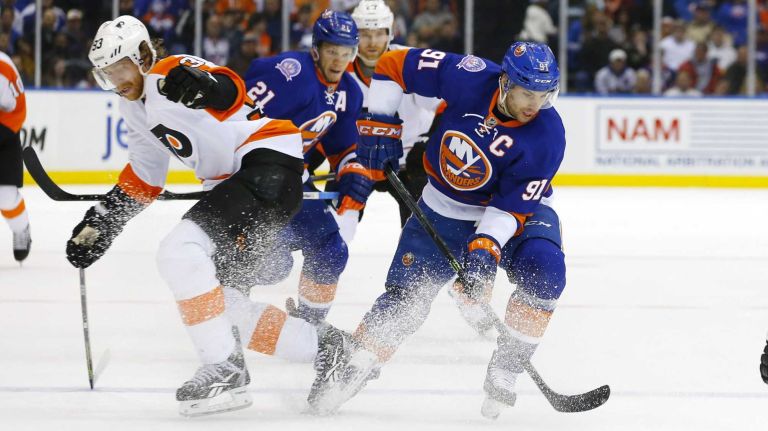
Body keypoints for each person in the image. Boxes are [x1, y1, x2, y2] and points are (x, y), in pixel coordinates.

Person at [68, 15, 350, 417]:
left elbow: (230, 90)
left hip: (266, 163)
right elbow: (146, 177)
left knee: (179, 251)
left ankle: (223, 366)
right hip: (245, 183)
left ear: (144, 55)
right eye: (107, 73)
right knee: (226, 305)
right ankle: (332, 351)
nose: (116, 80)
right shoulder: (133, 109)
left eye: (120, 68)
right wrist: (103, 222)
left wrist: (205, 88)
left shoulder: (169, 71)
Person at [307, 42, 567, 420]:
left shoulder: (548, 134)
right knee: (406, 299)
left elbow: (509, 208)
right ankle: (354, 364)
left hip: (513, 215)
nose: (535, 104)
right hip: (444, 207)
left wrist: (485, 246)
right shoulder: (470, 75)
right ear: (506, 82)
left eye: (544, 95)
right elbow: (394, 63)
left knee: (546, 271)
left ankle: (507, 368)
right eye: (528, 93)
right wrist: (378, 119)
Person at [241, 9, 371, 326]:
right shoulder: (290, 74)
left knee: (331, 249)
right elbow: (237, 120)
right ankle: (224, 297)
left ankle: (309, 324)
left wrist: (352, 172)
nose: (339, 61)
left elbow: (343, 149)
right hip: (251, 178)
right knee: (272, 263)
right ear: (316, 48)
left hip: (293, 180)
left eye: (346, 53)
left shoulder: (349, 92)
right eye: (331, 51)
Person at [0, 49, 30, 263]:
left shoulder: (3, 67)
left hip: (4, 132)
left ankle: (21, 228)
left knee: (6, 196)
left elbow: (18, 111)